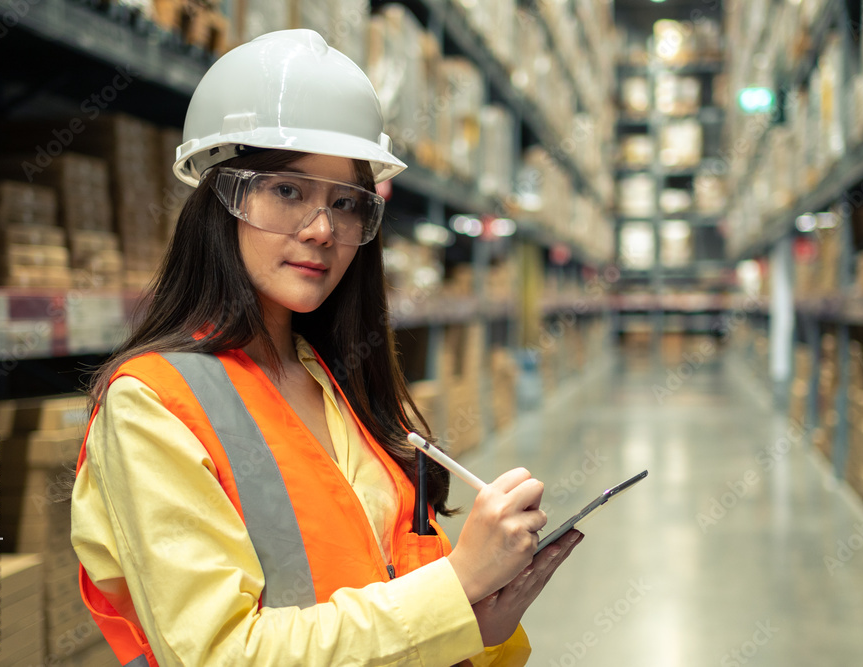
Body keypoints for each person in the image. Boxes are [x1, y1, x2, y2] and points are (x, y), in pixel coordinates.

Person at [71, 29, 582, 667]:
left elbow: (392, 591)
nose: (321, 229)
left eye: (345, 203)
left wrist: (482, 625)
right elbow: (222, 654)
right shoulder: (151, 406)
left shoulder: (335, 380)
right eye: (288, 191)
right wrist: (457, 588)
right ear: (221, 197)